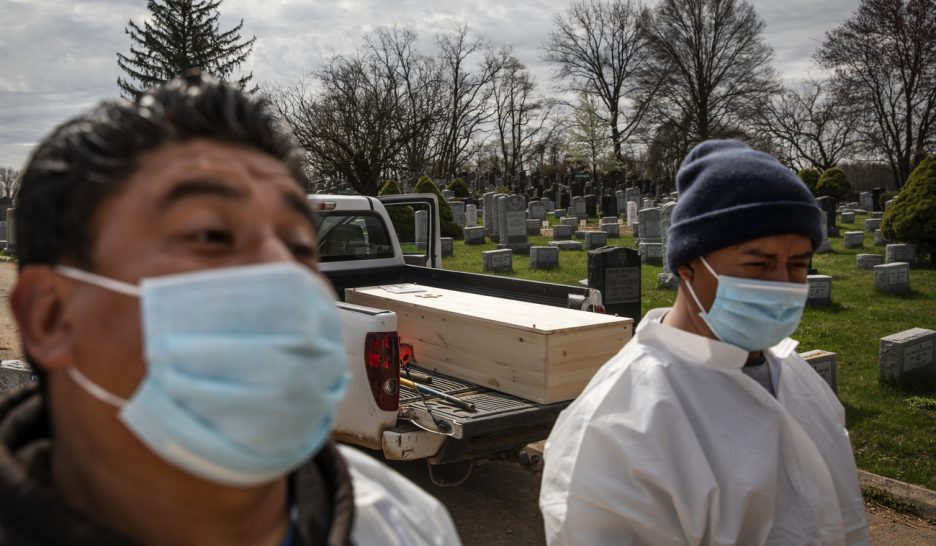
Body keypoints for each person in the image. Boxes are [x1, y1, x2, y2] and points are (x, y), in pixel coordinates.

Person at [0, 72, 460, 546]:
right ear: (52, 317)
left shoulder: (406, 525)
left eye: (300, 247)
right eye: (209, 236)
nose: (287, 280)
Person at [540, 140, 869, 545]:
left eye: (798, 265)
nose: (783, 284)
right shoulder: (621, 428)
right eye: (758, 264)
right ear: (689, 264)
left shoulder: (797, 378)